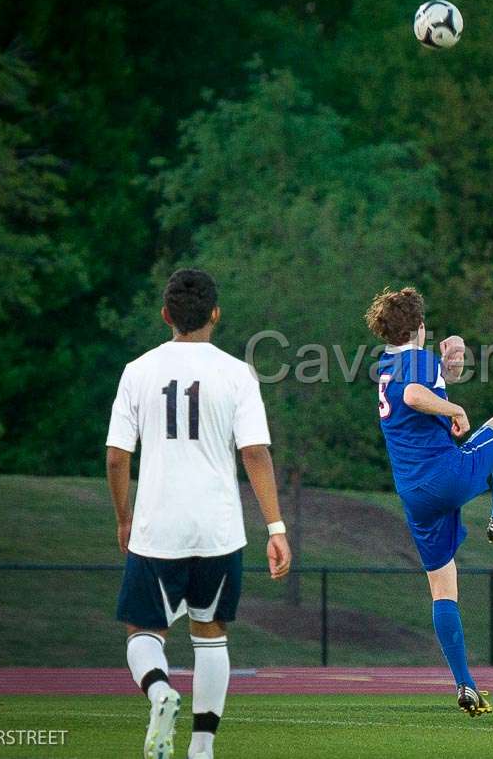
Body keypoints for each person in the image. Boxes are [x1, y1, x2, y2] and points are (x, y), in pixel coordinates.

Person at [107, 269, 292, 759]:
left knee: (143, 632)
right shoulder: (236, 373)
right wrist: (276, 528)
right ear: (215, 314)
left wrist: (124, 517)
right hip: (219, 530)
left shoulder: (138, 370)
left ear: (166, 315)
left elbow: (116, 457)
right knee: (210, 634)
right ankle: (203, 747)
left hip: (157, 527)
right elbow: (256, 453)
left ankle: (159, 691)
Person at [366, 286, 493, 716]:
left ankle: (465, 686)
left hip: (414, 496)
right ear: (421, 327)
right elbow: (415, 395)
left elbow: (424, 387)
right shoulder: (417, 362)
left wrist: (453, 360)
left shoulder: (388, 363)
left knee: (443, 589)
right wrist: (456, 409)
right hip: (442, 475)